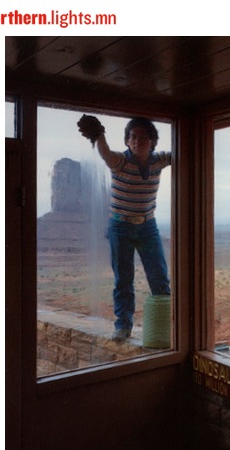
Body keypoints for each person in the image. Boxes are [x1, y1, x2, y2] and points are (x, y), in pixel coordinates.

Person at [78, 115, 172, 341]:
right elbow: (106, 154)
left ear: (152, 140)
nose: (137, 140)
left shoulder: (159, 160)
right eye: (132, 137)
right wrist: (99, 135)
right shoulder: (121, 161)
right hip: (120, 226)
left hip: (148, 225)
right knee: (123, 278)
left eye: (143, 137)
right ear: (127, 141)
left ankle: (165, 326)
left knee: (159, 276)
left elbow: (185, 150)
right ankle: (123, 325)